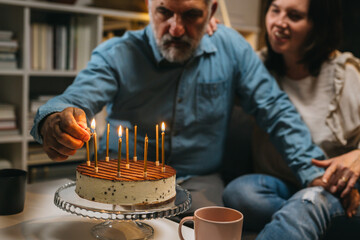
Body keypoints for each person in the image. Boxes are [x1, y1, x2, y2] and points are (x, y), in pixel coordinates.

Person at [32, 0, 331, 217]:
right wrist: (55, 122)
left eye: (191, 15)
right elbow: (74, 99)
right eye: (164, 11)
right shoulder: (118, 53)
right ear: (150, 5)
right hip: (120, 183)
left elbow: (274, 109)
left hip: (199, 184)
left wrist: (311, 170)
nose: (176, 29)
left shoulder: (232, 48)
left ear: (212, 11)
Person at [222, 0, 360, 238]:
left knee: (312, 199)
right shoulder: (256, 67)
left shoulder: (347, 74)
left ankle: (309, 210)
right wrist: (205, 29)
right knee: (240, 193)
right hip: (281, 186)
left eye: (294, 16)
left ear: (317, 25)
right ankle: (307, 215)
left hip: (340, 191)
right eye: (275, 10)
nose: (279, 22)